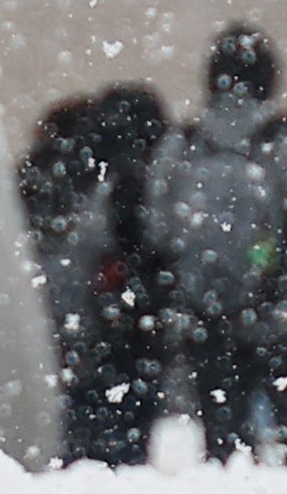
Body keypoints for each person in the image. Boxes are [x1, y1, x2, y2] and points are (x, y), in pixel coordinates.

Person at [148, 23, 287, 464]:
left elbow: (159, 229)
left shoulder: (184, 142)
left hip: (206, 312)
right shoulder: (285, 137)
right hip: (277, 311)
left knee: (224, 443)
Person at [14, 83, 173, 465]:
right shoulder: (127, 180)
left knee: (75, 434)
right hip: (117, 331)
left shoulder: (39, 175)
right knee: (123, 439)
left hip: (52, 327)